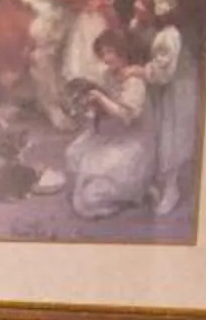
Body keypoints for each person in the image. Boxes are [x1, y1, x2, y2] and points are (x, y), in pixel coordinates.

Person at [62, 16, 157, 219]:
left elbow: (126, 116)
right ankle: (116, 192)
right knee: (74, 154)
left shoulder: (134, 81)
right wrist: (92, 106)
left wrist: (100, 98)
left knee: (89, 200)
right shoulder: (109, 74)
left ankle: (130, 193)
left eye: (110, 52)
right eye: (103, 52)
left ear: (124, 52)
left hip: (132, 140)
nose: (106, 58)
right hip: (113, 133)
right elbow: (107, 107)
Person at [134, 0, 201, 216]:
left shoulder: (170, 36)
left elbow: (162, 72)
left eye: (143, 3)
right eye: (138, 0)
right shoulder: (145, 27)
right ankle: (153, 181)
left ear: (159, 9)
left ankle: (171, 188)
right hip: (159, 90)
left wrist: (138, 70)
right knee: (153, 133)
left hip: (176, 89)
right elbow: (136, 42)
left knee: (170, 137)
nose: (137, 6)